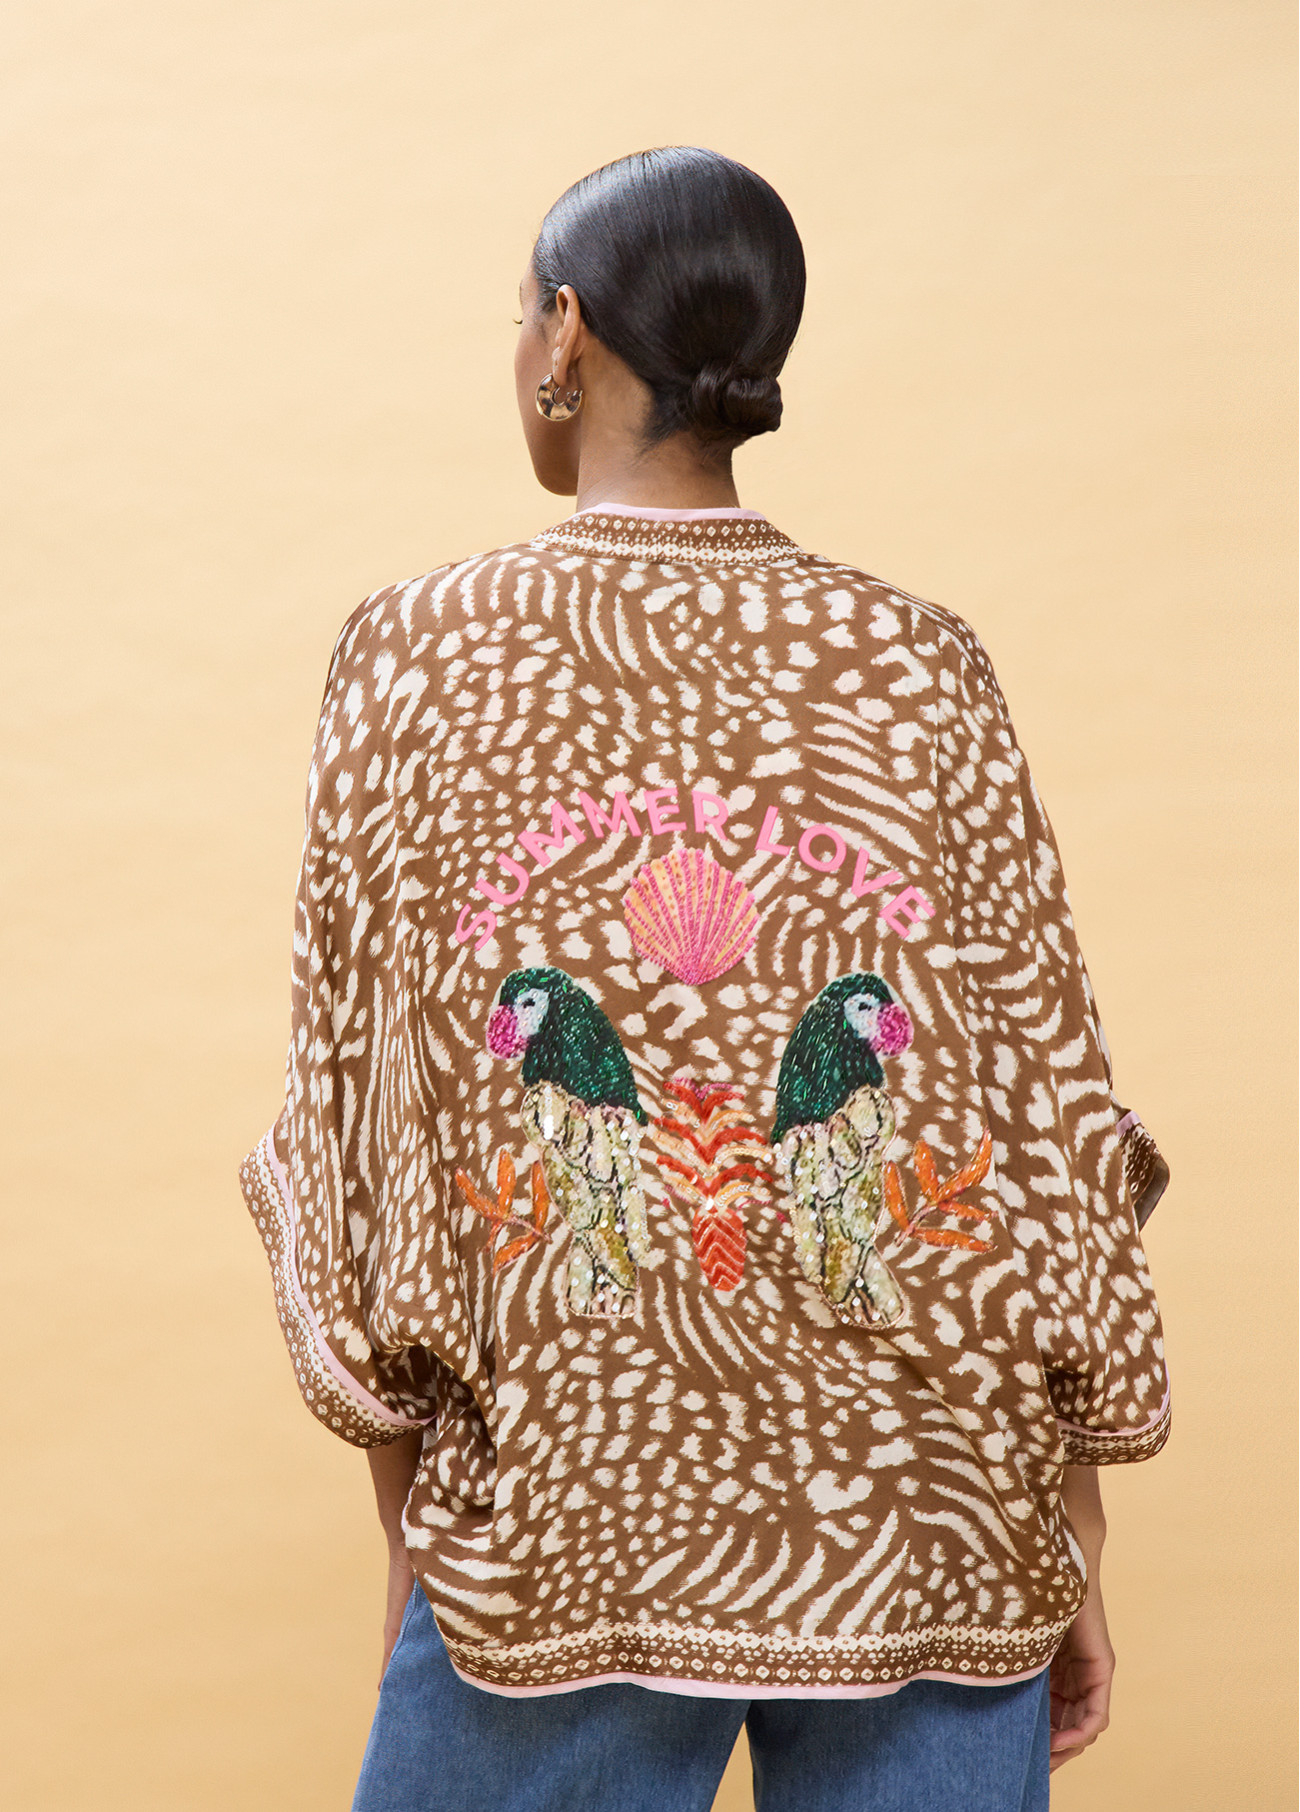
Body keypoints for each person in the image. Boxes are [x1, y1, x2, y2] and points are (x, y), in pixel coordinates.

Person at [239, 147, 1172, 1812]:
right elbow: (1041, 1108)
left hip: (571, 1504)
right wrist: (1070, 1530)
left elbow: (373, 1130)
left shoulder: (418, 656)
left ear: (565, 333)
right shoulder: (918, 664)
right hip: (931, 1508)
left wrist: (414, 1529)